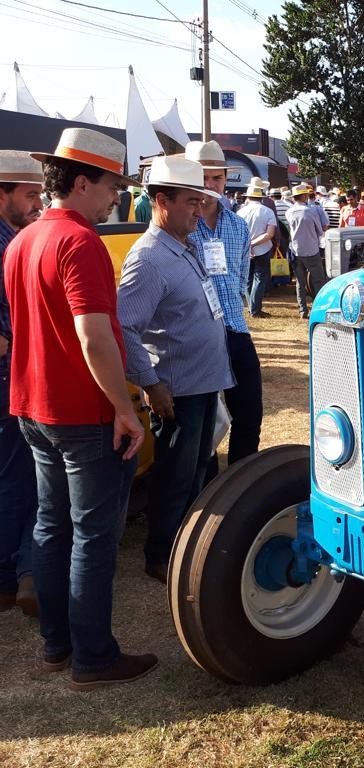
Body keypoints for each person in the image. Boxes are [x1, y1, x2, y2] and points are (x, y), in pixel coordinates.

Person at [5, 128, 154, 689]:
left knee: (52, 525)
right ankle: (93, 658)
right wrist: (123, 408)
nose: (117, 197)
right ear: (84, 182)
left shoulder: (23, 239)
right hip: (81, 411)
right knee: (92, 535)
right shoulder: (80, 241)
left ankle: (58, 645)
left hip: (33, 405)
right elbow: (93, 335)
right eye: (113, 186)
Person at [118, 155, 235, 585]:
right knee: (174, 477)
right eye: (190, 201)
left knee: (197, 470)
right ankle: (161, 555)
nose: (198, 210)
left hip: (201, 382)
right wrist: (151, 383)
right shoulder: (150, 258)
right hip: (178, 390)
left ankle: (186, 548)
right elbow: (124, 327)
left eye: (201, 201)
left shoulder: (181, 247)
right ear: (162, 201)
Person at [186, 141, 263, 474]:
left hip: (234, 328)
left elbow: (241, 277)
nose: (210, 185)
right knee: (203, 418)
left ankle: (241, 481)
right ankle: (206, 485)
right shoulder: (180, 228)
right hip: (197, 333)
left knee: (249, 412)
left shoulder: (237, 225)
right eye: (203, 178)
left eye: (216, 178)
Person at [0, 150, 43, 617]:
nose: (37, 204)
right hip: (9, 374)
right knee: (22, 476)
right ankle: (19, 574)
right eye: (29, 195)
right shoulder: (8, 243)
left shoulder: (16, 238)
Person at [286, 183, 327, 318]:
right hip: (311, 249)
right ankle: (319, 307)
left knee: (300, 281)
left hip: (296, 250)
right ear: (304, 196)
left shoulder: (289, 212)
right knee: (318, 280)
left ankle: (303, 310)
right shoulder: (310, 211)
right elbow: (320, 230)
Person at [238, 182, 277, 318]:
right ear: (261, 197)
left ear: (248, 197)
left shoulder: (240, 212)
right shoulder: (268, 211)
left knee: (248, 279)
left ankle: (252, 307)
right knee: (260, 278)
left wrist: (248, 245)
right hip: (263, 248)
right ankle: (255, 308)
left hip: (245, 249)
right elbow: (269, 234)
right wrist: (253, 244)